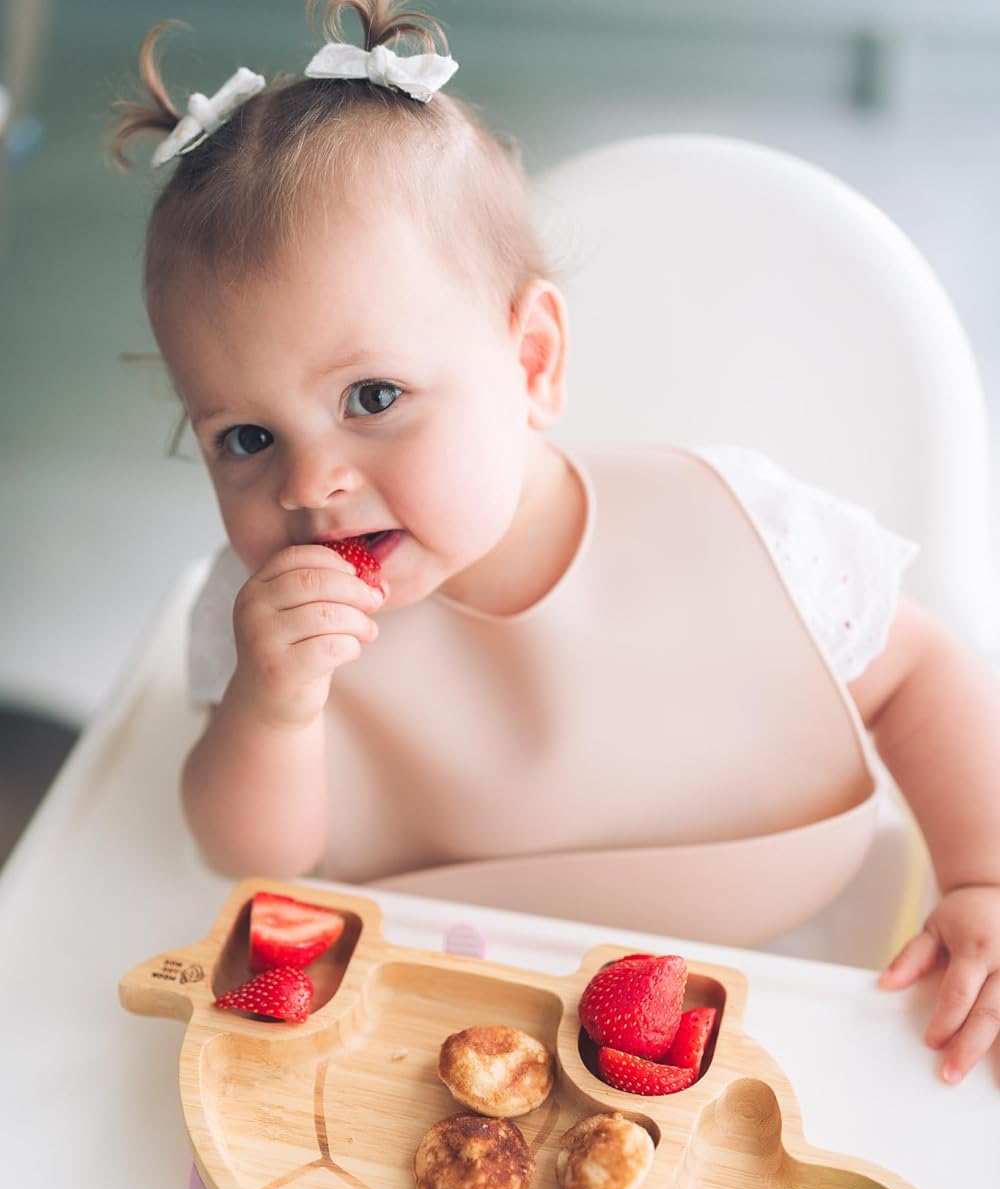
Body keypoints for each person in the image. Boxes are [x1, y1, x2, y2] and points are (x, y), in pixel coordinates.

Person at [112, 0, 1000, 1084]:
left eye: (373, 396)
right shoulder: (264, 622)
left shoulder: (744, 530)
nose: (309, 485)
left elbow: (923, 678)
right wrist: (274, 706)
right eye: (246, 438)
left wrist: (982, 880)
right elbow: (250, 860)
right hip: (439, 1041)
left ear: (531, 360)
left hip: (797, 999)